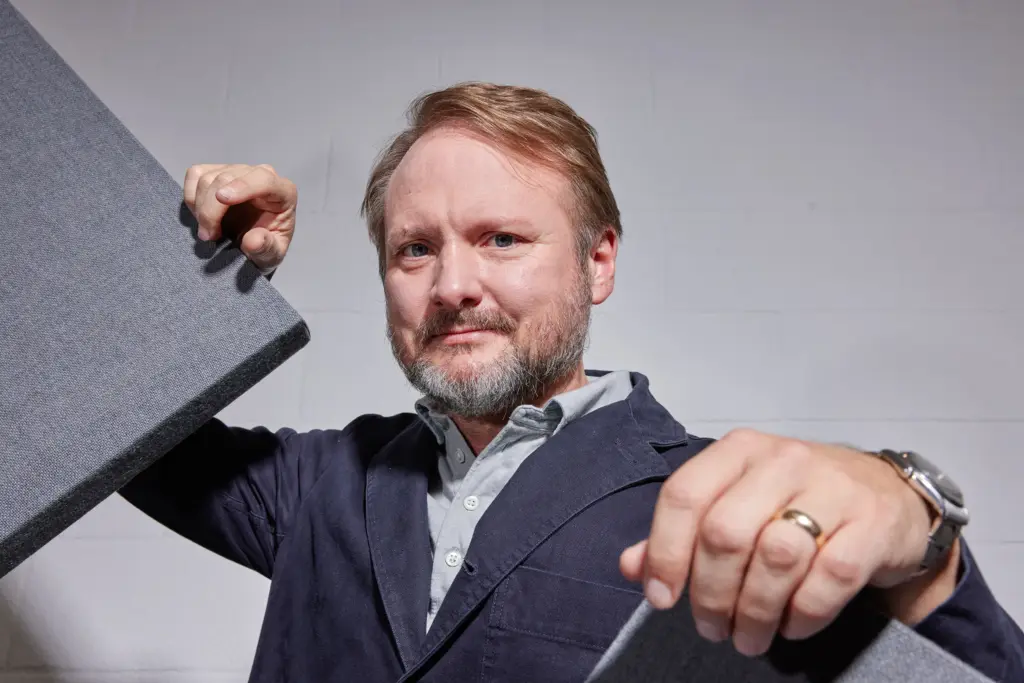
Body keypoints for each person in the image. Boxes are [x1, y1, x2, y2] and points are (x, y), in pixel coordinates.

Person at [120, 82, 1023, 682]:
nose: (453, 284)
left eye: (502, 239)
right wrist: (205, 267)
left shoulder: (722, 505)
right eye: (415, 249)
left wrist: (920, 532)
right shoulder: (316, 483)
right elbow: (112, 428)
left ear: (599, 263)